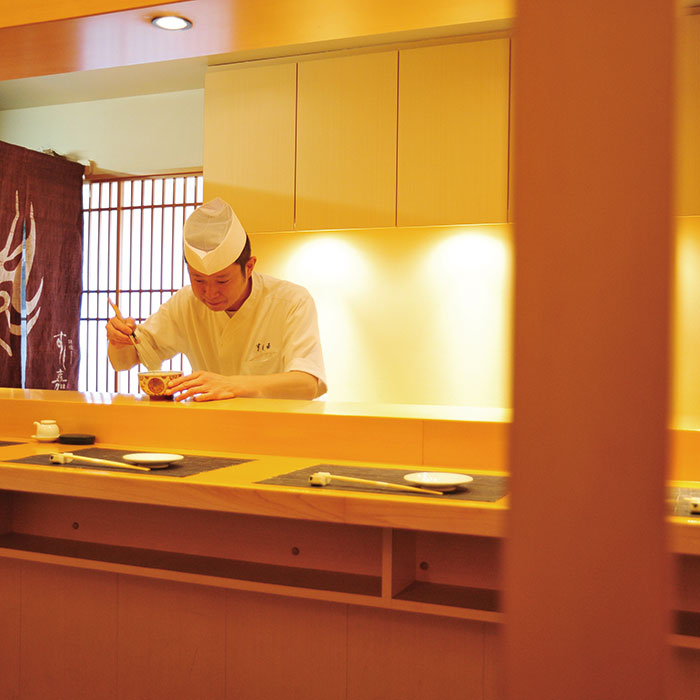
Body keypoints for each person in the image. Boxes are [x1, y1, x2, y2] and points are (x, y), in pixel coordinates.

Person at [106, 198, 326, 402]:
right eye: (199, 280)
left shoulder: (290, 301)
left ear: (249, 267)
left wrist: (232, 384)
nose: (210, 294)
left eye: (222, 281)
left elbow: (307, 383)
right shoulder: (186, 303)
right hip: (210, 429)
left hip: (277, 433)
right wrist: (118, 342)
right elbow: (125, 361)